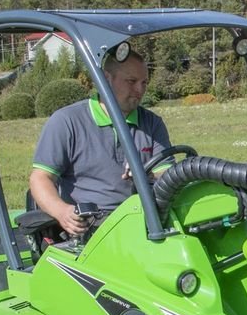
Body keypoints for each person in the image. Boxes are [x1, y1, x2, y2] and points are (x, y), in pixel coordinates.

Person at [28, 45, 170, 236]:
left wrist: (145, 174)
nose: (139, 89)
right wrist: (62, 212)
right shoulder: (67, 121)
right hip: (90, 228)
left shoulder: (152, 123)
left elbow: (167, 175)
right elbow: (40, 178)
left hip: (142, 221)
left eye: (144, 82)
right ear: (106, 78)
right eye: (131, 81)